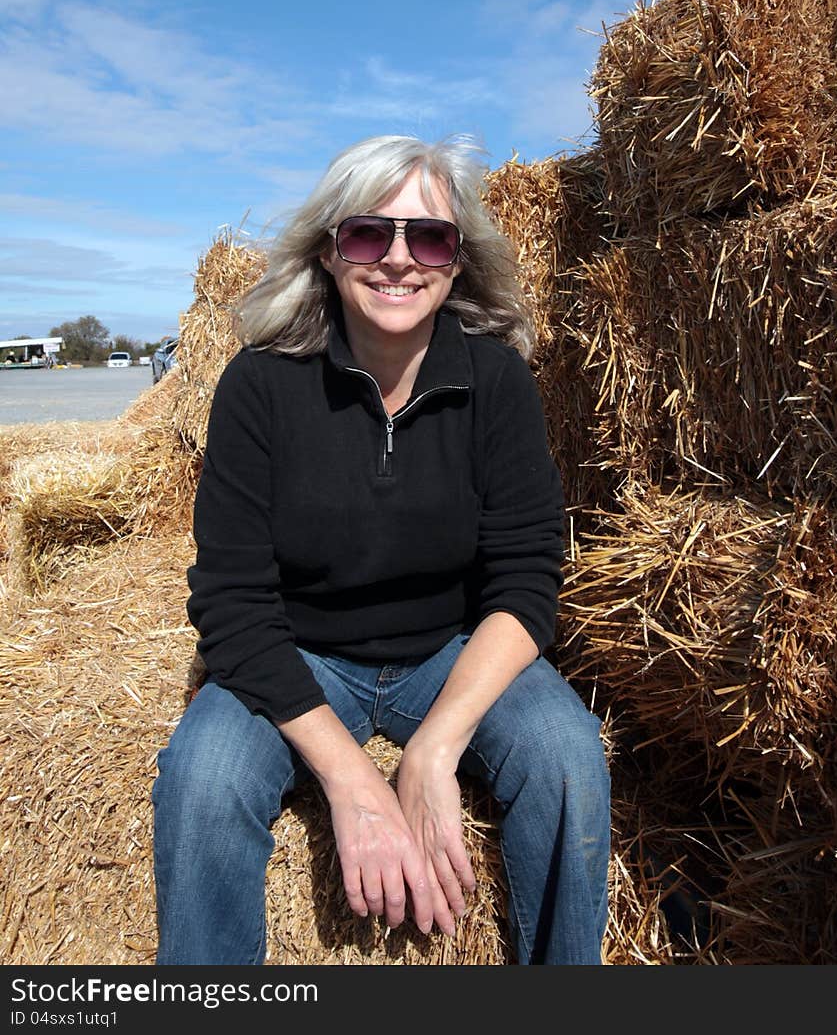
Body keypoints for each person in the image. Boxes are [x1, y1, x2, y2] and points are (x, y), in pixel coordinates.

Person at [151, 133, 610, 966]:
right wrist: (352, 781)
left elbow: (527, 578)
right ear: (329, 251)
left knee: (567, 753)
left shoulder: (498, 383)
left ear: (457, 260)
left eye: (428, 237)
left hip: (448, 651)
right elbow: (232, 604)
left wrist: (434, 748)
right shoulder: (259, 385)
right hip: (301, 656)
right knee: (202, 776)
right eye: (369, 234)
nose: (398, 259)